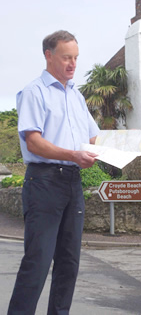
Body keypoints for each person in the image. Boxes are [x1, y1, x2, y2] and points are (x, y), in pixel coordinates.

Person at [8, 30, 99, 315]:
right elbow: (33, 141)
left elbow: (93, 139)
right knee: (38, 261)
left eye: (76, 58)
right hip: (43, 183)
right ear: (49, 56)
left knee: (69, 262)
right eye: (66, 58)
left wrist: (126, 147)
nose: (73, 64)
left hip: (72, 183)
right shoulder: (34, 92)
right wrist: (73, 154)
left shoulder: (77, 96)